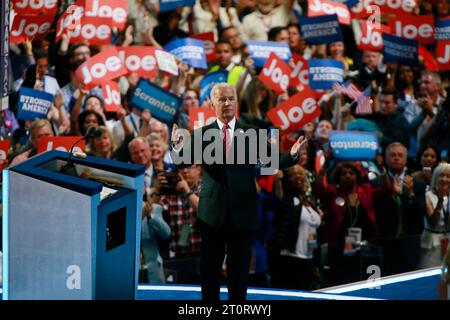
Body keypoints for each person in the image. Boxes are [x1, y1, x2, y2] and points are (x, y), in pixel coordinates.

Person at [171, 82, 307, 301]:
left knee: (239, 272)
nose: (227, 103)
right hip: (211, 212)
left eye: (231, 99)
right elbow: (182, 161)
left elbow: (272, 161)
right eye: (222, 99)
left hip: (243, 211)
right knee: (210, 271)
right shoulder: (201, 134)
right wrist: (176, 146)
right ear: (212, 103)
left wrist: (291, 155)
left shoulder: (252, 133)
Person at [269, 165, 322, 290]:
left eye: (300, 174)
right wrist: (277, 182)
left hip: (309, 259)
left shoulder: (309, 203)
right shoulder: (288, 200)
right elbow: (278, 202)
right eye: (293, 175)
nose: (298, 177)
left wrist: (316, 265)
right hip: (290, 258)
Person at [419, 163, 450, 268]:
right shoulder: (428, 195)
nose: (444, 179)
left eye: (448, 176)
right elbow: (433, 223)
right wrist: (440, 200)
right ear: (435, 177)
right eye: (441, 175)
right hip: (431, 242)